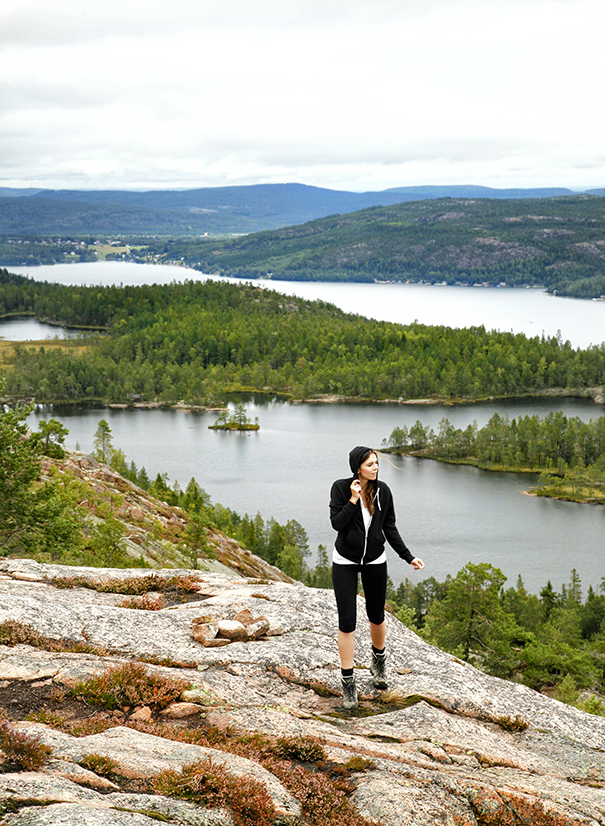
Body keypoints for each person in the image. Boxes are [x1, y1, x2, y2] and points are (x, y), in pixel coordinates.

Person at [330, 445, 424, 710]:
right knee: (347, 623)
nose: (376, 468)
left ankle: (378, 662)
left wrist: (408, 556)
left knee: (377, 615)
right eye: (370, 464)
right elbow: (337, 524)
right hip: (345, 561)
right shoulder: (340, 487)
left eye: (376, 464)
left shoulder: (384, 491)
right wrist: (352, 499)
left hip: (374, 560)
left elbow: (389, 527)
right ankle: (348, 683)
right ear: (357, 467)